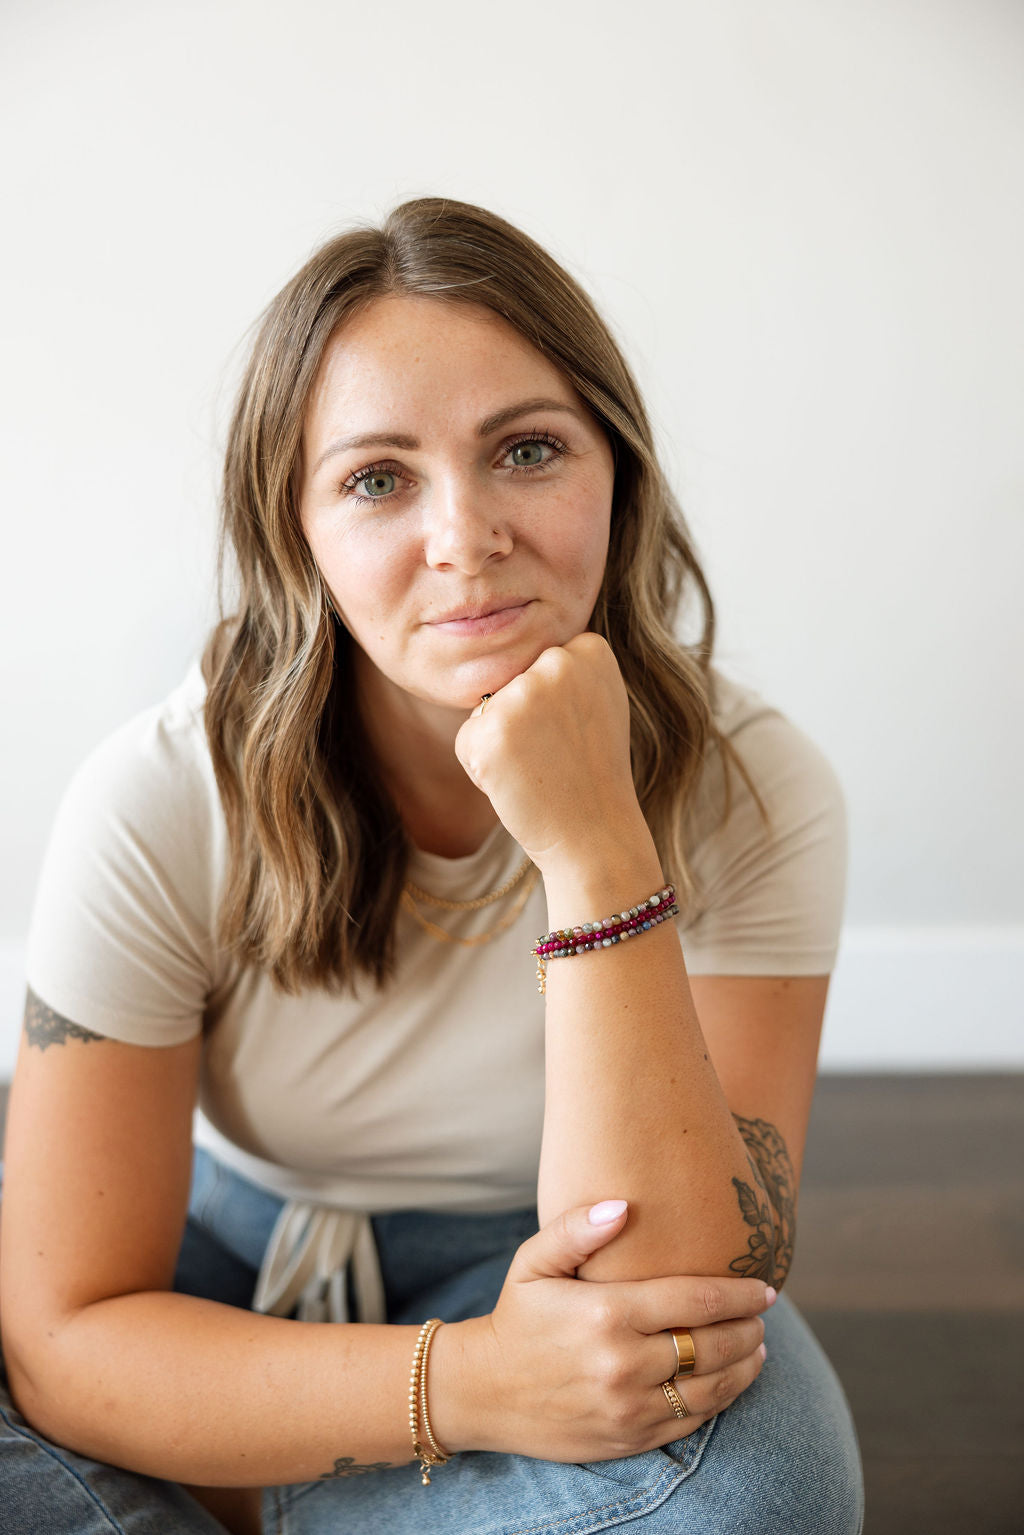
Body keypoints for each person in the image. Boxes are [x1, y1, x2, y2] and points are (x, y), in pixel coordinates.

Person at [0, 197, 863, 1534]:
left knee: (756, 1486)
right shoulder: (162, 795)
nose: (465, 538)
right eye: (376, 478)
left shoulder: (757, 786)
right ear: (299, 537)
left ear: (617, 473)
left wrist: (591, 845)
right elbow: (68, 1338)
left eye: (527, 450)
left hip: (534, 1264)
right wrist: (459, 1388)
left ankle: (228, 1489)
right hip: (214, 1256)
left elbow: (686, 1281)